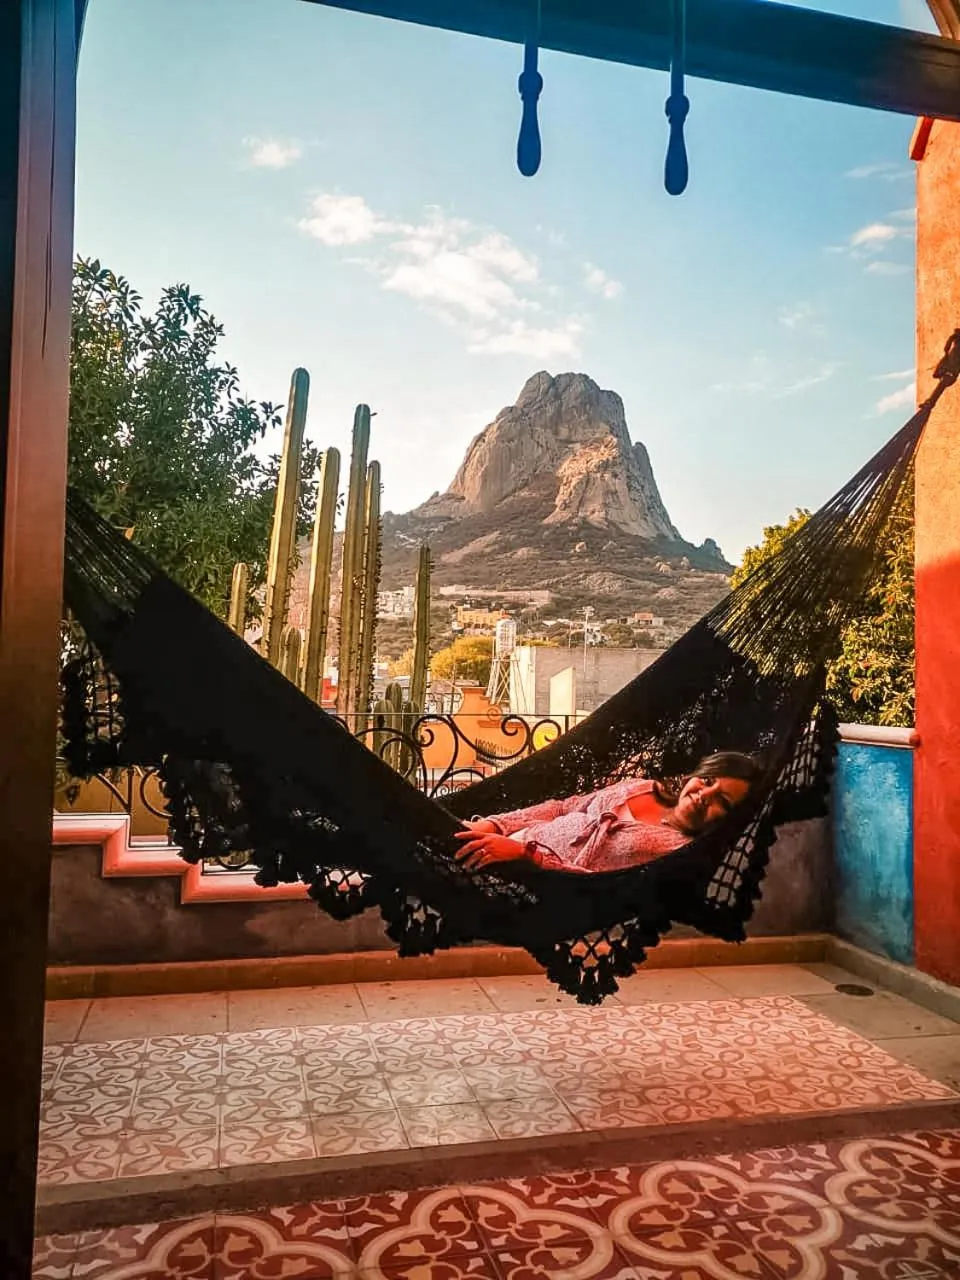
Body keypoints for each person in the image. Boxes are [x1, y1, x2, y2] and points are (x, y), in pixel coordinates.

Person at [453, 751, 762, 874]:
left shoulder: (680, 849)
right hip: (504, 841)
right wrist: (495, 825)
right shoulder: (641, 787)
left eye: (722, 799)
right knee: (437, 833)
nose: (705, 794)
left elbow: (599, 885)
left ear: (730, 818)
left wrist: (524, 854)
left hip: (525, 877)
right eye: (707, 781)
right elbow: (563, 807)